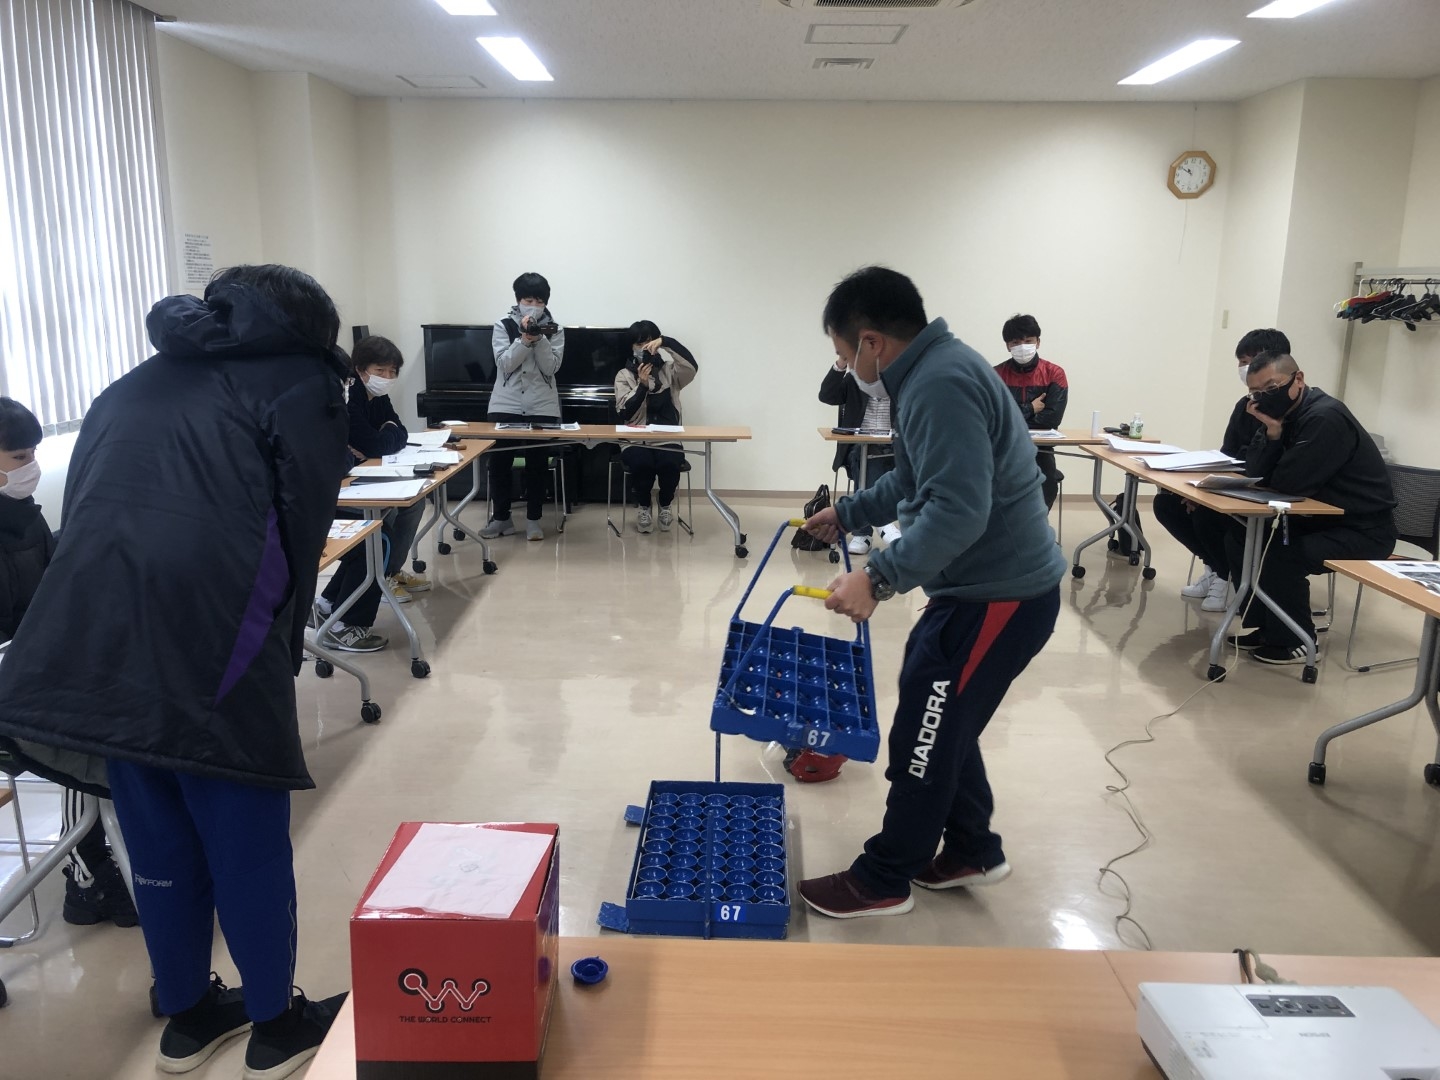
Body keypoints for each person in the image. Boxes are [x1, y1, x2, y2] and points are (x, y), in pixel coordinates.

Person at [0, 265, 352, 1078]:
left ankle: (188, 1017)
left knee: (156, 840)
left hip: (106, 644)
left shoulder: (134, 381)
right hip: (218, 641)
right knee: (246, 844)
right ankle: (275, 1028)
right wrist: (276, 654)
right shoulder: (300, 381)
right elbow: (304, 522)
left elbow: (84, 509)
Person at [798, 266, 1065, 919]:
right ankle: (972, 848)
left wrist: (876, 577)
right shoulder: (933, 371)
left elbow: (957, 510)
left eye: (845, 356)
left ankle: (884, 878)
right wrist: (851, 512)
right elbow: (915, 478)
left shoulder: (939, 383)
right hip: (977, 589)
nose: (847, 369)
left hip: (999, 594)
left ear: (872, 342)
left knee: (928, 728)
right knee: (942, 717)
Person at [0, 398, 137, 929]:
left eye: (34, 453)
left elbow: (52, 588)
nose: (31, 466)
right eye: (20, 457)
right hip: (17, 683)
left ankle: (115, 856)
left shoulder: (24, 515)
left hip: (38, 665)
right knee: (86, 732)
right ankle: (88, 874)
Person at [1224, 351, 1396, 666]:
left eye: (1271, 387)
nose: (1264, 398)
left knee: (1279, 554)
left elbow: (1290, 483)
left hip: (1362, 530)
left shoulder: (1324, 418)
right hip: (1318, 521)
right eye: (1256, 393)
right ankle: (1267, 627)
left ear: (1298, 379)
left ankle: (1296, 640)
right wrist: (1271, 432)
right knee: (1241, 537)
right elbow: (1255, 472)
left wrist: (1274, 460)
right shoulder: (1280, 418)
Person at [1153, 328, 1287, 612]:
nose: (1245, 368)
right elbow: (1228, 454)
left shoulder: (1289, 409)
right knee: (1167, 504)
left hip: (1266, 494)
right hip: (1234, 485)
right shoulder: (1244, 405)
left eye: (1251, 361)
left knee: (1207, 516)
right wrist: (1204, 488)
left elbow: (1272, 465)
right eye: (1241, 362)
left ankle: (1229, 578)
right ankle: (1217, 568)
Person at [315, 335, 431, 653]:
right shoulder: (344, 398)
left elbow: (395, 435)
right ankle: (347, 627)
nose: (388, 378)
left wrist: (383, 436)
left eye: (393, 372)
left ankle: (328, 604)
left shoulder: (376, 396)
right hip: (331, 493)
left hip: (350, 479)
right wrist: (378, 439)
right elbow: (371, 443)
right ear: (359, 370)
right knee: (376, 538)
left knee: (402, 512)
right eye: (381, 370)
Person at [481, 272, 566, 542]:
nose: (533, 305)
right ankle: (501, 519)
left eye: (539, 301)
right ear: (518, 300)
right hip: (505, 403)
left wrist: (538, 339)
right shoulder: (503, 325)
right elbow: (505, 364)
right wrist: (523, 340)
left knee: (537, 464)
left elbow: (551, 367)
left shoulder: (555, 330)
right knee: (499, 463)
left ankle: (533, 520)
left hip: (542, 405)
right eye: (528, 300)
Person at [614, 320, 698, 533]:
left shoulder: (670, 371)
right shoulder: (624, 375)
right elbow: (625, 413)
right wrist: (642, 386)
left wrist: (666, 342)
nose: (644, 347)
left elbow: (692, 367)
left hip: (667, 437)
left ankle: (665, 503)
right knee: (642, 464)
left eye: (648, 342)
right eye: (638, 343)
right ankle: (644, 506)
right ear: (631, 346)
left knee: (670, 463)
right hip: (635, 439)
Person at [819, 351, 896, 556]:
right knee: (868, 459)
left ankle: (870, 527)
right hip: (862, 446)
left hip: (897, 445)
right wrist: (841, 362)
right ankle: (872, 529)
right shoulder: (855, 380)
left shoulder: (900, 380)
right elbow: (827, 395)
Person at [993, 314, 1068, 510]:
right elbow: (993, 419)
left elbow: (1051, 420)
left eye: (1028, 341)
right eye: (1016, 342)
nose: (1022, 347)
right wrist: (1030, 408)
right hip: (1004, 448)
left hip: (1041, 449)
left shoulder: (1055, 373)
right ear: (1007, 345)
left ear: (1038, 342)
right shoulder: (995, 374)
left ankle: (1036, 525)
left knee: (1045, 489)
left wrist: (1013, 415)